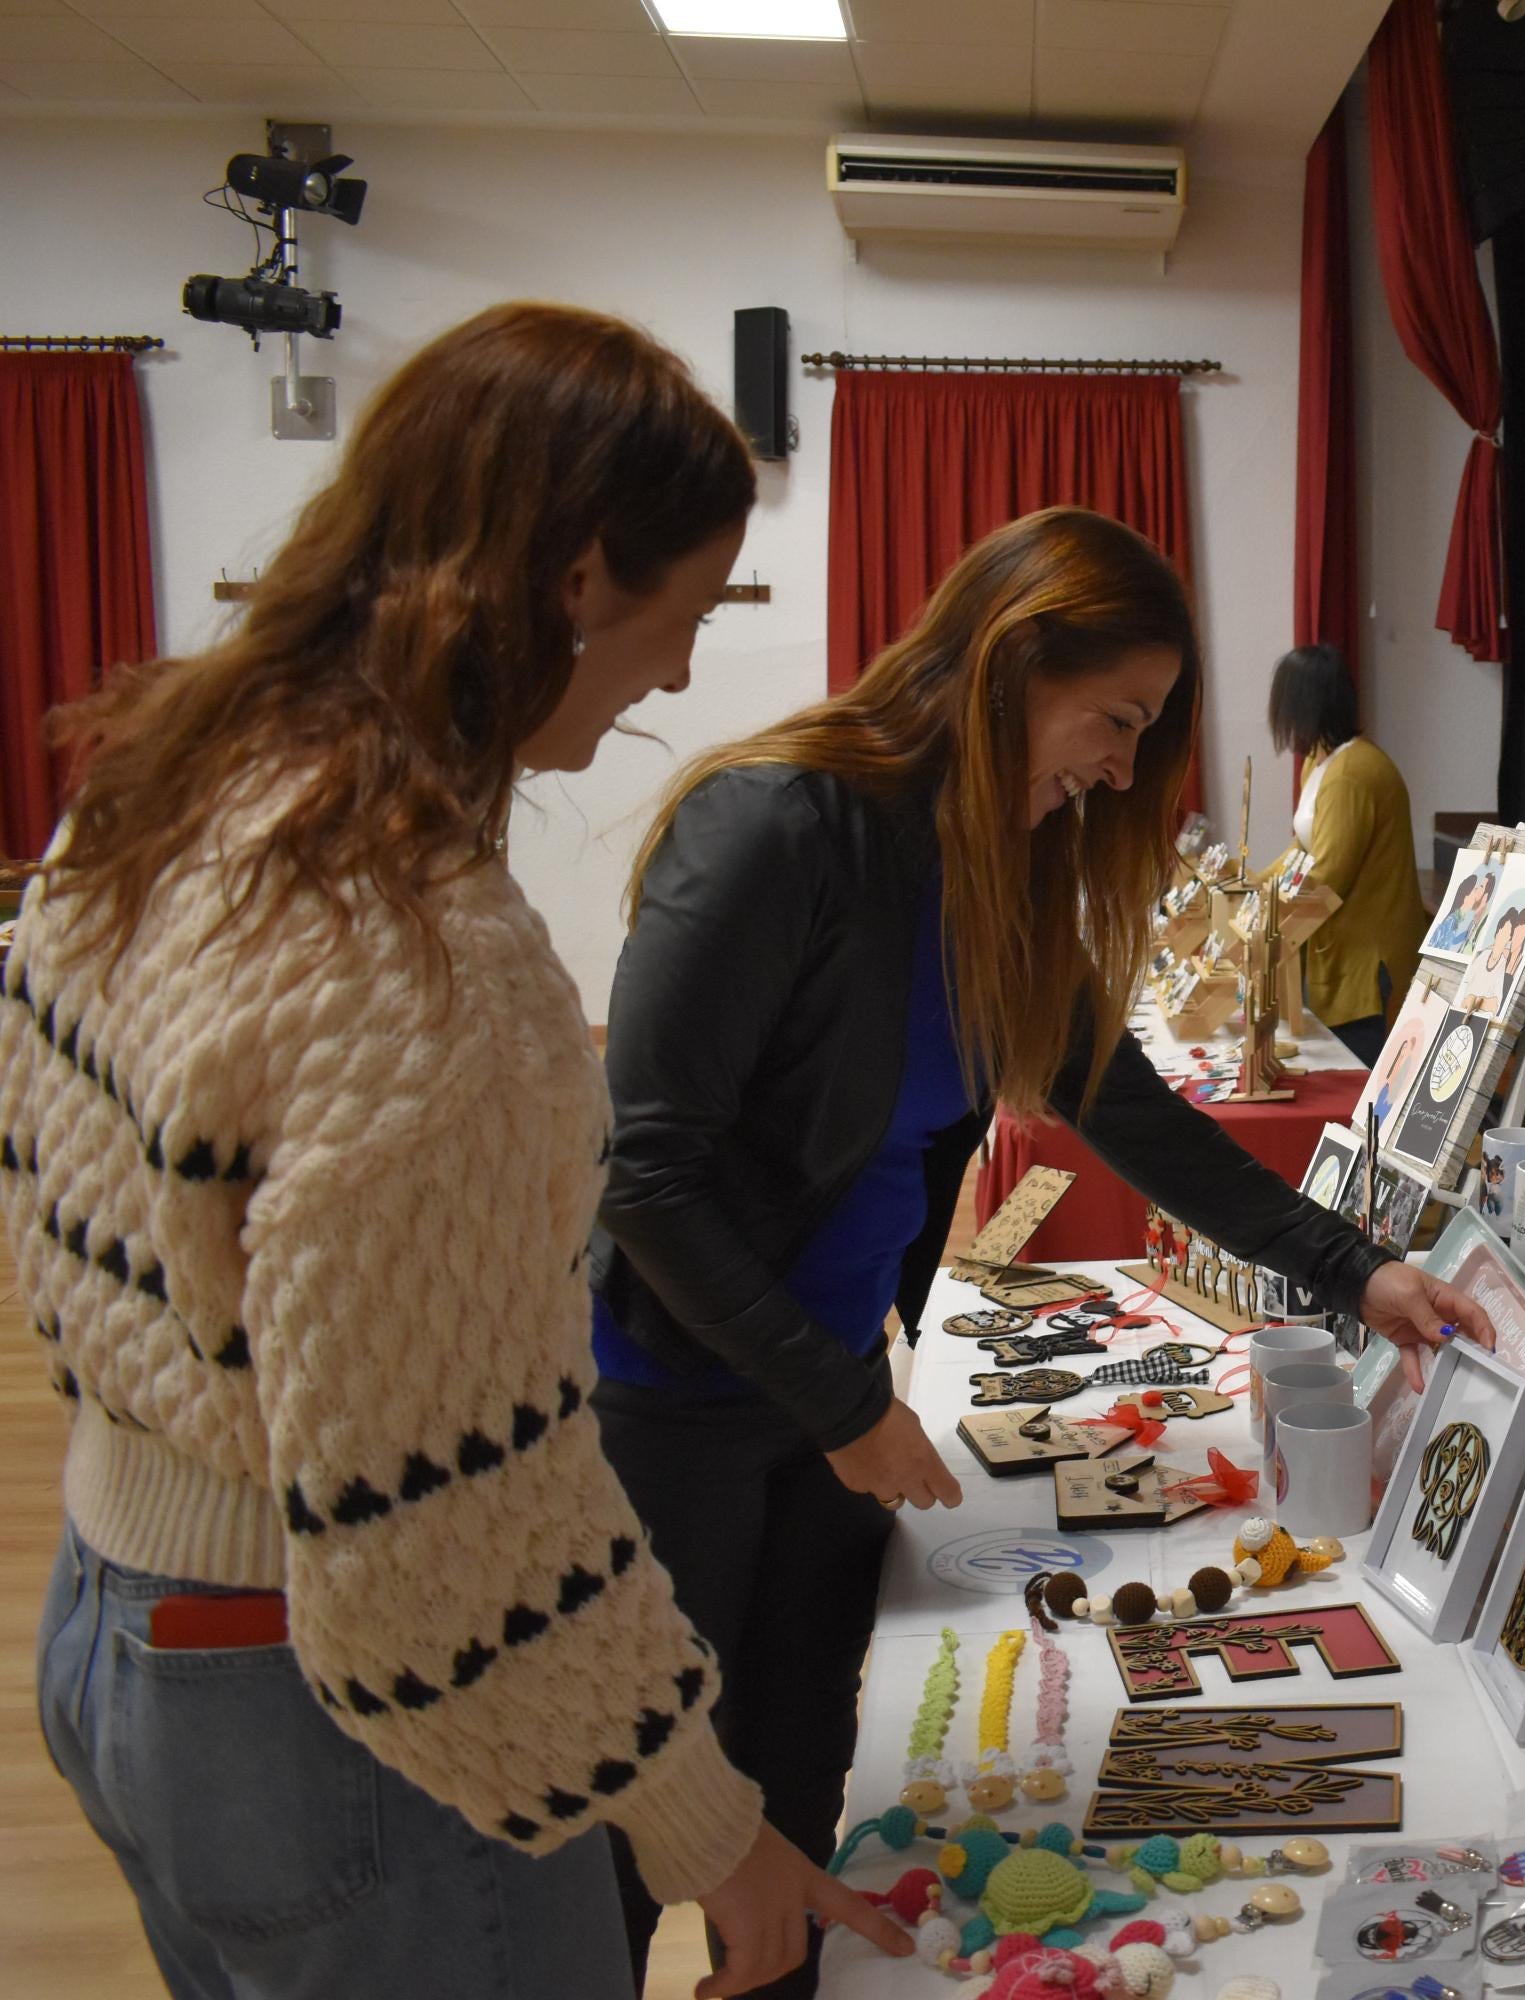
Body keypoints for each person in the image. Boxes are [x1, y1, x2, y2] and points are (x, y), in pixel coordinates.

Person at [0, 305, 907, 2000]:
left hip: (120, 1626)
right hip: (333, 1718)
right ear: (575, 580)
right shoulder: (435, 973)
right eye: (686, 613)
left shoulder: (153, 789)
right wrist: (713, 1826)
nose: (685, 673)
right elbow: (442, 1536)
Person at [589, 508, 1495, 1997]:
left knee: (799, 1797)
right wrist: (843, 1406)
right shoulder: (779, 827)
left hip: (827, 1407)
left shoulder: (991, 871)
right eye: (1115, 719)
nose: (1127, 768)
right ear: (1011, 664)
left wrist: (1357, 1271)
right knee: (633, 1835)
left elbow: (1131, 1112)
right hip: (678, 1409)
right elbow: (655, 1174)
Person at [1267, 644, 1428, 1064]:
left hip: (1365, 962)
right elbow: (1299, 853)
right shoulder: (1320, 763)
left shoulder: (1352, 773)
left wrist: (1261, 917)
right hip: (1336, 952)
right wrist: (1249, 886)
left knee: (1361, 1086)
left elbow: (1326, 879)